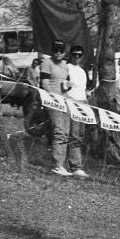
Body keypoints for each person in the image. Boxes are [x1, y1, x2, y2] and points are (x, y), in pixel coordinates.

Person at [39, 39, 73, 175]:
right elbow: (45, 84)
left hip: (65, 101)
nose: (58, 53)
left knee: (65, 133)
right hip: (53, 102)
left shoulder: (65, 65)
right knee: (58, 131)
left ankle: (61, 164)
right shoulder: (47, 63)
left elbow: (65, 84)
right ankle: (56, 165)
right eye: (56, 50)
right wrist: (54, 99)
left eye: (61, 50)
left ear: (65, 52)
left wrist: (68, 87)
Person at [64, 44, 89, 177]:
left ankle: (77, 164)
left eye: (79, 55)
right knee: (73, 134)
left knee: (80, 134)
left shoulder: (82, 71)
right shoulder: (66, 67)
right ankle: (75, 166)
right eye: (75, 54)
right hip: (71, 102)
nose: (77, 57)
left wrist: (86, 101)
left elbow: (82, 89)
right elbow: (63, 86)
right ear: (70, 55)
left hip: (83, 103)